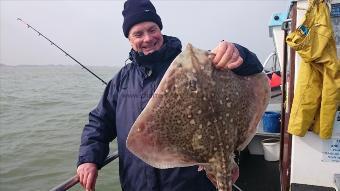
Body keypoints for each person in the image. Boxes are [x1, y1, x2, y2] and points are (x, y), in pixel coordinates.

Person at [77, 0, 264, 190]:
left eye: (152, 29)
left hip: (190, 184)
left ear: (160, 29)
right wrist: (89, 158)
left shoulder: (193, 68)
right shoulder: (121, 81)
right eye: (138, 34)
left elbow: (252, 73)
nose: (148, 38)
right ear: (129, 39)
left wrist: (238, 53)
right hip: (138, 184)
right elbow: (99, 121)